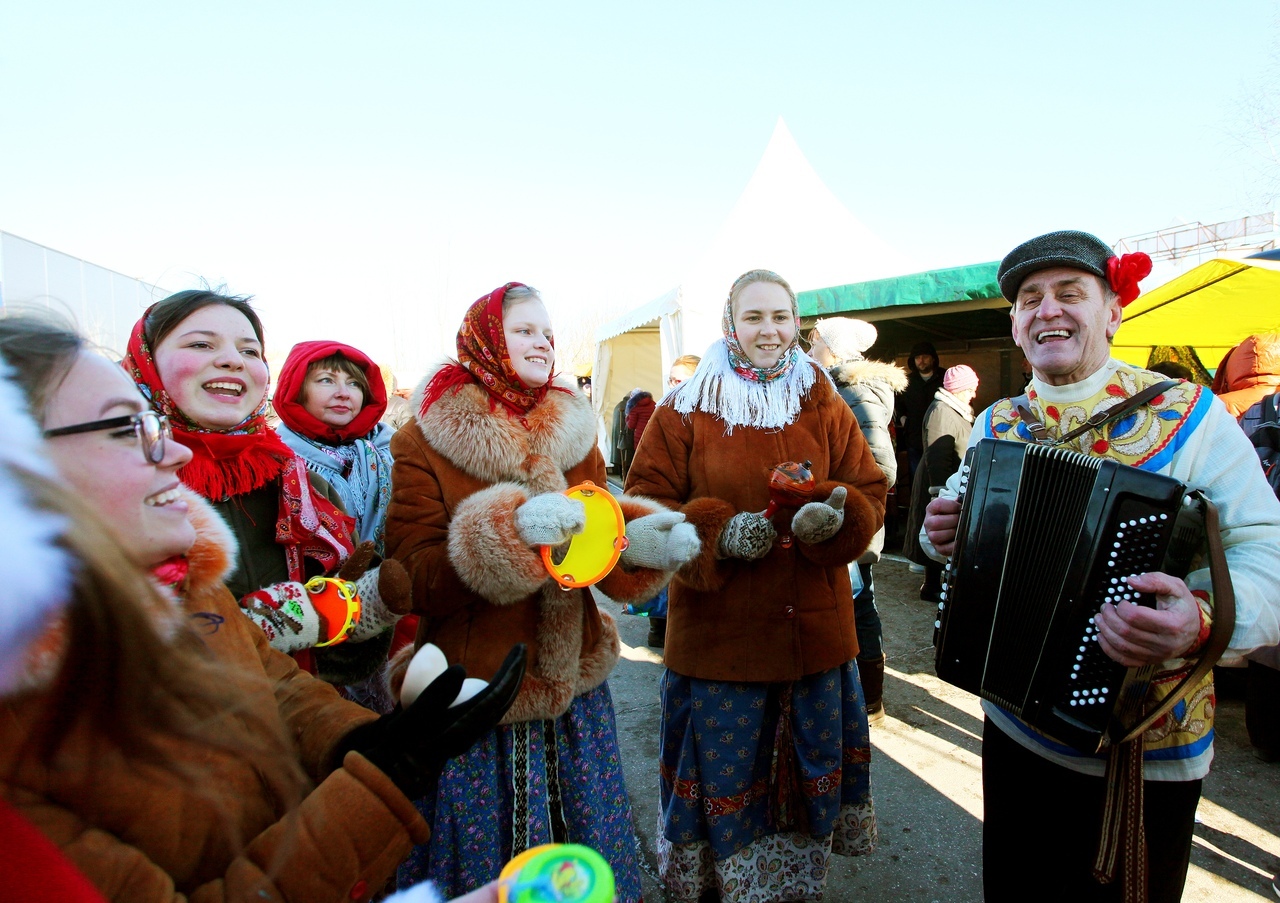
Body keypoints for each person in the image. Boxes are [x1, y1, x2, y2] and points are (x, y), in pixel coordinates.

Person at [0, 314, 524, 902]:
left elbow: (271, 684)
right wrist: (379, 782)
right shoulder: (22, 722)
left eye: (249, 347)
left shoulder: (185, 573)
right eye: (128, 428)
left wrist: (363, 742)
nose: (169, 451)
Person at [922, 231, 1280, 902]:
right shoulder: (998, 421)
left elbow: (1270, 548)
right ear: (1015, 325)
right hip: (1010, 725)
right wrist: (940, 533)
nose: (1047, 309)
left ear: (1115, 311)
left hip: (1141, 749)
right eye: (1031, 298)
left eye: (1070, 293)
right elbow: (951, 527)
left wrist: (1197, 620)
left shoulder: (1192, 416)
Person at [385, 282, 700, 901]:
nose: (543, 341)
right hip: (479, 688)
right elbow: (412, 573)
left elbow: (594, 527)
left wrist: (638, 542)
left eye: (547, 331)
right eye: (524, 329)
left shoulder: (573, 429)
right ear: (485, 338)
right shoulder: (422, 440)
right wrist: (506, 534)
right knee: (487, 863)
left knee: (583, 854)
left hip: (575, 675)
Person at [626, 269, 887, 903]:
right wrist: (716, 535)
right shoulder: (686, 406)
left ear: (797, 323)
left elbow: (870, 487)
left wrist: (837, 511)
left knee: (803, 785)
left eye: (780, 317)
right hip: (722, 644)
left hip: (813, 640)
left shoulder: (820, 397)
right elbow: (640, 510)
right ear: (729, 325)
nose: (768, 330)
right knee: (726, 787)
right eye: (754, 317)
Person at [123, 291, 406, 684]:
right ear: (147, 360)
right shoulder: (109, 488)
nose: (232, 360)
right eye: (201, 344)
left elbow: (340, 642)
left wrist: (354, 611)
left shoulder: (305, 486)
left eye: (250, 351)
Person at [808, 316, 906, 723]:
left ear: (832, 348)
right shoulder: (835, 386)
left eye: (814, 342)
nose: (809, 349)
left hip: (851, 521)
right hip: (839, 516)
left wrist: (847, 513)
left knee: (859, 602)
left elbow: (880, 466)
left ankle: (869, 701)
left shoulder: (855, 391)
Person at [274, 341, 396, 556]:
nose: (343, 393)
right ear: (297, 390)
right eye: (326, 380)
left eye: (354, 383)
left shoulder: (395, 449)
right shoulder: (273, 459)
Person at [903, 364, 979, 604]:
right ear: (958, 390)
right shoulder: (941, 411)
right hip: (937, 483)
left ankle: (936, 583)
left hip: (945, 482)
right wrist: (939, 493)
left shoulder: (953, 409)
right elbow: (938, 455)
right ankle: (931, 586)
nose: (974, 394)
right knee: (937, 532)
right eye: (970, 389)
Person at [896, 340, 943, 483]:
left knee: (939, 478)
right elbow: (897, 403)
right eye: (917, 358)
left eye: (924, 357)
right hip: (914, 439)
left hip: (940, 438)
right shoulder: (906, 381)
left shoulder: (944, 378)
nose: (921, 361)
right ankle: (917, 505)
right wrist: (903, 418)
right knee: (917, 477)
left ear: (933, 358)